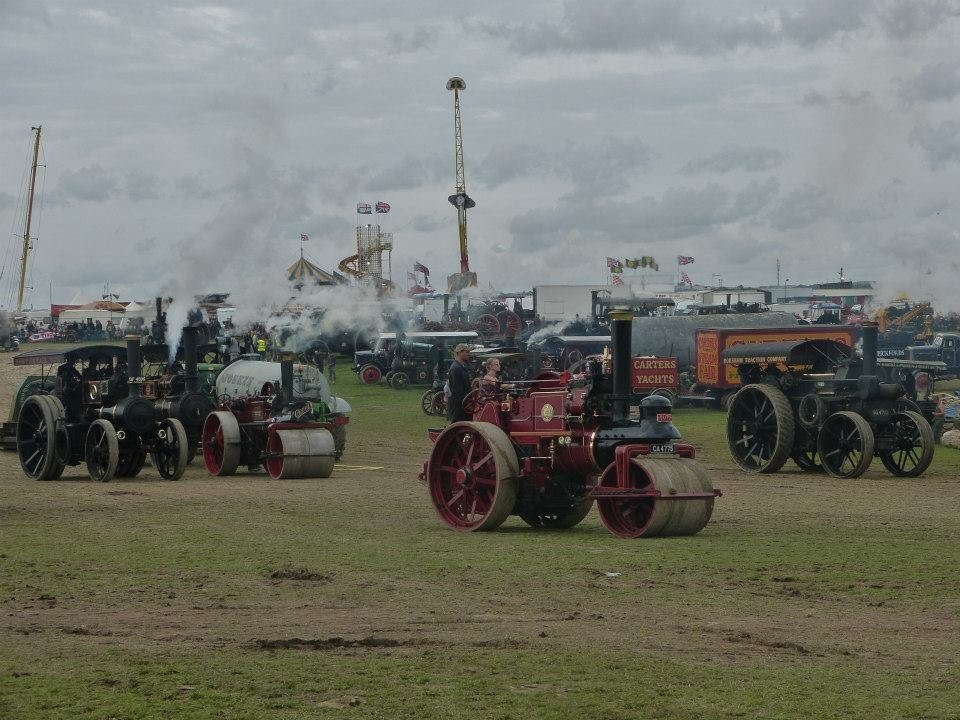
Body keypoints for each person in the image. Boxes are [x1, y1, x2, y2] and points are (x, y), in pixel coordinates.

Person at [446, 343, 473, 423]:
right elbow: (457, 390)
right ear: (459, 352)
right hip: (458, 406)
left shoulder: (462, 366)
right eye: (466, 351)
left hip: (464, 403)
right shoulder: (455, 368)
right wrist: (466, 403)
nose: (469, 354)